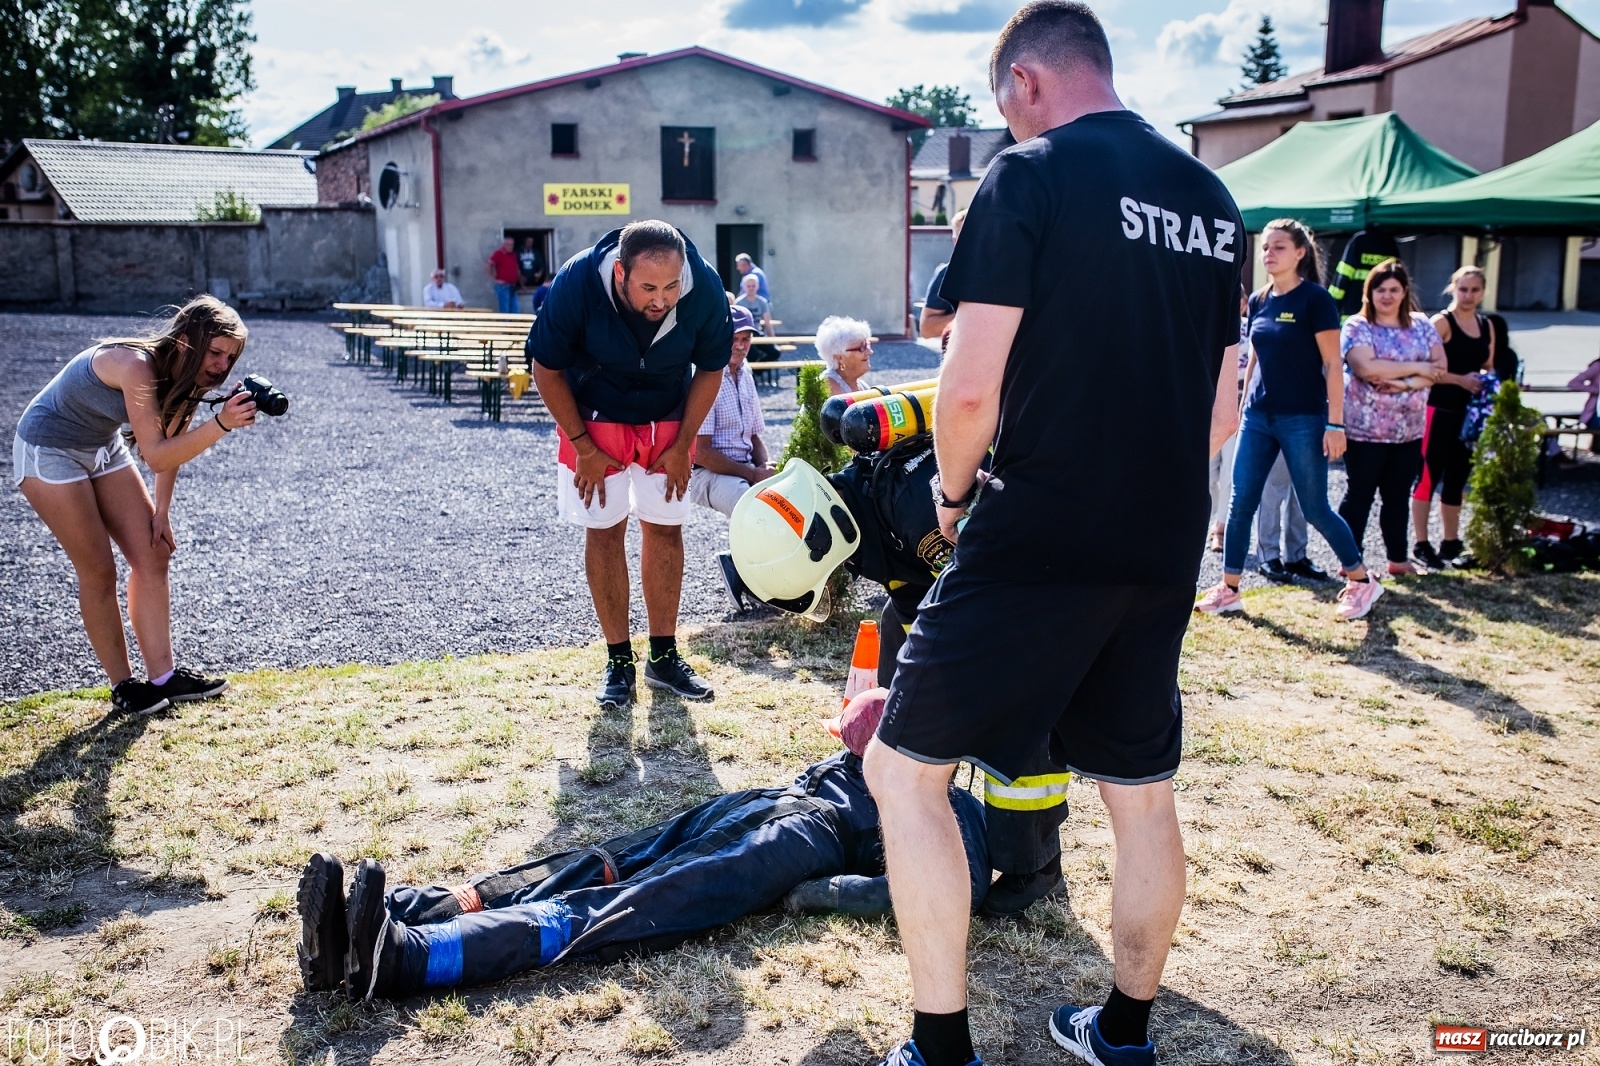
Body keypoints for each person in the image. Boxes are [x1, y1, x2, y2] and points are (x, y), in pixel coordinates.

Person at [860, 4, 1246, 1064]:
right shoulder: (1212, 201)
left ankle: (939, 1048)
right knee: (1140, 791)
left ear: (1025, 81)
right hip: (1163, 532)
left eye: (1003, 107)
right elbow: (1223, 414)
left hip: (1040, 525)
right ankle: (1123, 1033)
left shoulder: (1028, 177)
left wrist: (946, 496)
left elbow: (968, 380)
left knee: (905, 772)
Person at [293, 689, 991, 1001]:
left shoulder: (941, 806)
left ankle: (410, 961)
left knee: (622, 904)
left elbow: (961, 884)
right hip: (766, 805)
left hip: (802, 834)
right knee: (600, 863)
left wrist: (823, 894)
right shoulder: (900, 777)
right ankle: (400, 919)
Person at [726, 449, 1072, 918]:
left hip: (1046, 595)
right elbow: (916, 602)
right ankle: (905, 783)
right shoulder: (868, 512)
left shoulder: (918, 512)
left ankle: (1035, 868)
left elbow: (1004, 597)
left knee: (1011, 694)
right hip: (1002, 589)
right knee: (899, 631)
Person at [12, 296, 259, 716]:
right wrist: (221, 425)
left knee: (153, 550)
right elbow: (158, 455)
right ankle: (124, 685)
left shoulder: (189, 378)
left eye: (229, 357)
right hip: (48, 448)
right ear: (186, 341)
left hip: (99, 446)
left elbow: (171, 448)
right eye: (215, 352)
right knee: (98, 568)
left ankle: (164, 678)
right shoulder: (134, 365)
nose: (221, 365)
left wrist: (161, 513)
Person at [528, 220, 732, 708]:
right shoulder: (577, 281)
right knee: (604, 528)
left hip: (667, 414)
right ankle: (619, 661)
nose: (661, 299)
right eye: (647, 288)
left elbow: (711, 367)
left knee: (666, 528)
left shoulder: (702, 285)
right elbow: (545, 367)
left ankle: (663, 656)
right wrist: (583, 446)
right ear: (620, 272)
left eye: (670, 285)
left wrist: (685, 445)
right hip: (594, 415)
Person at [1197, 218, 1383, 622]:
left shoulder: (1315, 300)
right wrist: (1244, 403)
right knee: (1240, 501)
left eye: (1279, 247)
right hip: (1259, 417)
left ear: (1300, 253)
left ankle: (1361, 579)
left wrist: (1336, 425)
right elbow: (1257, 360)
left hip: (1304, 417)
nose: (1269, 254)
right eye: (1265, 247)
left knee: (1316, 508)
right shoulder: (1262, 300)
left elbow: (1334, 365)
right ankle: (1229, 589)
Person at [1339, 258, 1446, 575]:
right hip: (1364, 431)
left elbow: (1439, 369)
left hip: (1408, 430)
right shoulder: (1358, 326)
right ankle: (1350, 561)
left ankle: (1398, 560)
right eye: (1380, 289)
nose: (1386, 295)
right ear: (1369, 293)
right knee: (1359, 495)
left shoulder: (1422, 325)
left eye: (1393, 289)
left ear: (1404, 292)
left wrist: (1403, 381)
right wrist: (1419, 368)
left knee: (1397, 497)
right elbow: (1366, 367)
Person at [1412, 266, 1496, 570]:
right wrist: (1460, 379)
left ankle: (1450, 541)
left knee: (1458, 479)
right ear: (1453, 289)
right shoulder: (1442, 323)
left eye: (1475, 290)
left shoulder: (1486, 325)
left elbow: (1488, 364)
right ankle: (1421, 542)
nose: (1468, 296)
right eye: (1463, 290)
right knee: (1427, 476)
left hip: (1469, 415)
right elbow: (1422, 366)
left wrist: (1488, 380)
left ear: (1483, 291)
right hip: (1438, 409)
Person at [689, 305, 775, 520]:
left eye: (745, 339)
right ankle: (739, 554)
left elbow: (754, 437)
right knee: (756, 511)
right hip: (705, 472)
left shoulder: (746, 371)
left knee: (789, 502)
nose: (739, 345)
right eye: (733, 338)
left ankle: (742, 554)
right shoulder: (705, 374)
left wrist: (764, 465)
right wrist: (754, 474)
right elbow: (701, 452)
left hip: (743, 467)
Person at [1326, 228, 1400, 320]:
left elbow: (1342, 279)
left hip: (1353, 315)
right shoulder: (1390, 244)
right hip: (1381, 319)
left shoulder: (1359, 241)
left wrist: (1329, 308)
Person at [920, 209, 968, 340]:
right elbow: (926, 329)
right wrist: (970, 315)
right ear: (955, 240)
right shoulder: (947, 274)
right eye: (965, 236)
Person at [817, 316, 873, 396]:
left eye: (867, 345)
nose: (870, 352)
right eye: (861, 347)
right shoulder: (828, 386)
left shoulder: (861, 385)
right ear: (839, 358)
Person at [486, 237, 521, 314]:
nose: (510, 246)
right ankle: (505, 325)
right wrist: (493, 279)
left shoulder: (513, 255)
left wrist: (522, 284)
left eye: (511, 244)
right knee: (505, 311)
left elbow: (517, 269)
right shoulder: (499, 253)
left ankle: (514, 325)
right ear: (504, 245)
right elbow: (488, 264)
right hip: (503, 286)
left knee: (515, 310)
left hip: (513, 286)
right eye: (508, 244)